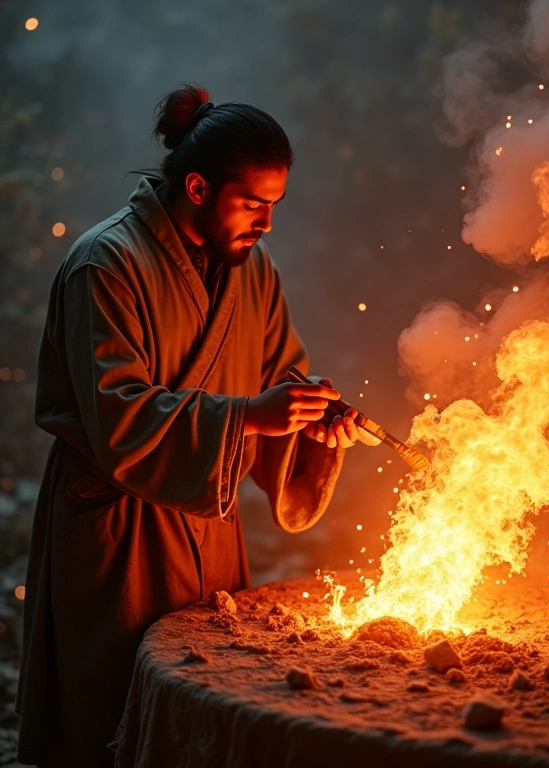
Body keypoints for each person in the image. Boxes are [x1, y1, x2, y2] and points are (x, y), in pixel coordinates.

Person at [16, 83, 373, 767]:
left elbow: (282, 379)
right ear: (200, 187)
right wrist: (249, 416)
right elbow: (120, 417)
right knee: (110, 716)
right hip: (122, 533)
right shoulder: (106, 264)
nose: (267, 223)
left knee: (201, 704)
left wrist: (310, 420)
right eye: (253, 204)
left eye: (275, 206)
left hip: (211, 533)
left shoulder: (253, 271)